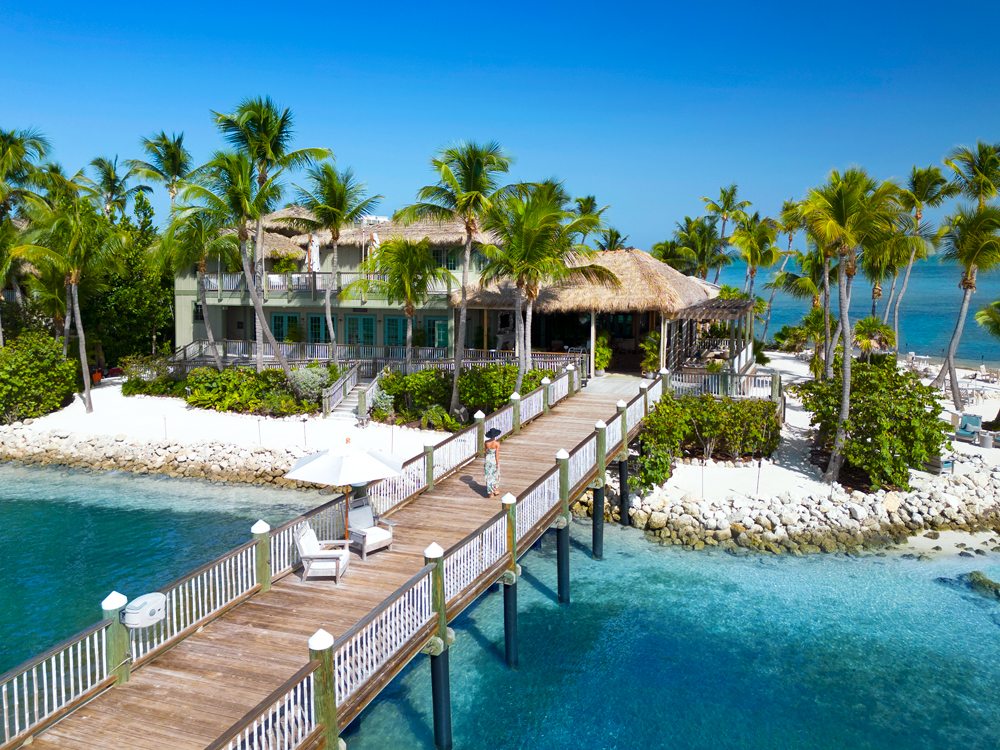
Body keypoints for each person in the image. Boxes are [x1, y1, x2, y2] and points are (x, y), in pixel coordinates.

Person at [484, 427, 501, 498]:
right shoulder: (497, 443)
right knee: (496, 474)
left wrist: (486, 459)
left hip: (488, 458)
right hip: (493, 459)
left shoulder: (486, 442)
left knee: (488, 475)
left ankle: (490, 492)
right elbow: (496, 454)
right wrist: (498, 463)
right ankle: (495, 489)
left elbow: (485, 452)